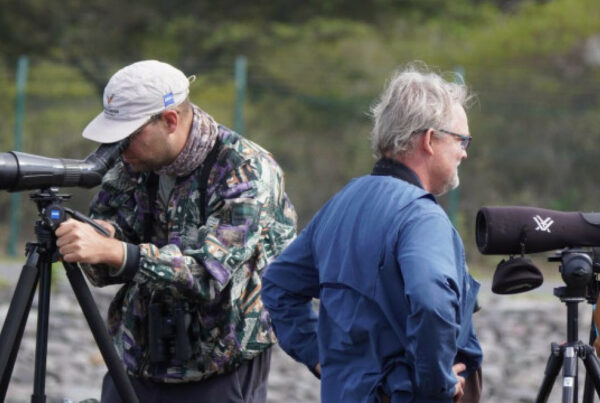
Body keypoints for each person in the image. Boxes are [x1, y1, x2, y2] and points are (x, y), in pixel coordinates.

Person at [54, 60, 297, 402]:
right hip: (141, 356)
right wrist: (99, 236)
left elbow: (209, 273)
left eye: (128, 136)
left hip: (219, 365)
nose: (119, 149)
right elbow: (110, 248)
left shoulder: (246, 171)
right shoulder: (135, 163)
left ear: (169, 120)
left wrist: (115, 251)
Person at [261, 63, 483, 403]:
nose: (465, 151)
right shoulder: (421, 215)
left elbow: (278, 284)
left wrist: (320, 357)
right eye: (461, 139)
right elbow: (430, 301)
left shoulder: (342, 203)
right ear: (428, 140)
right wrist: (437, 384)